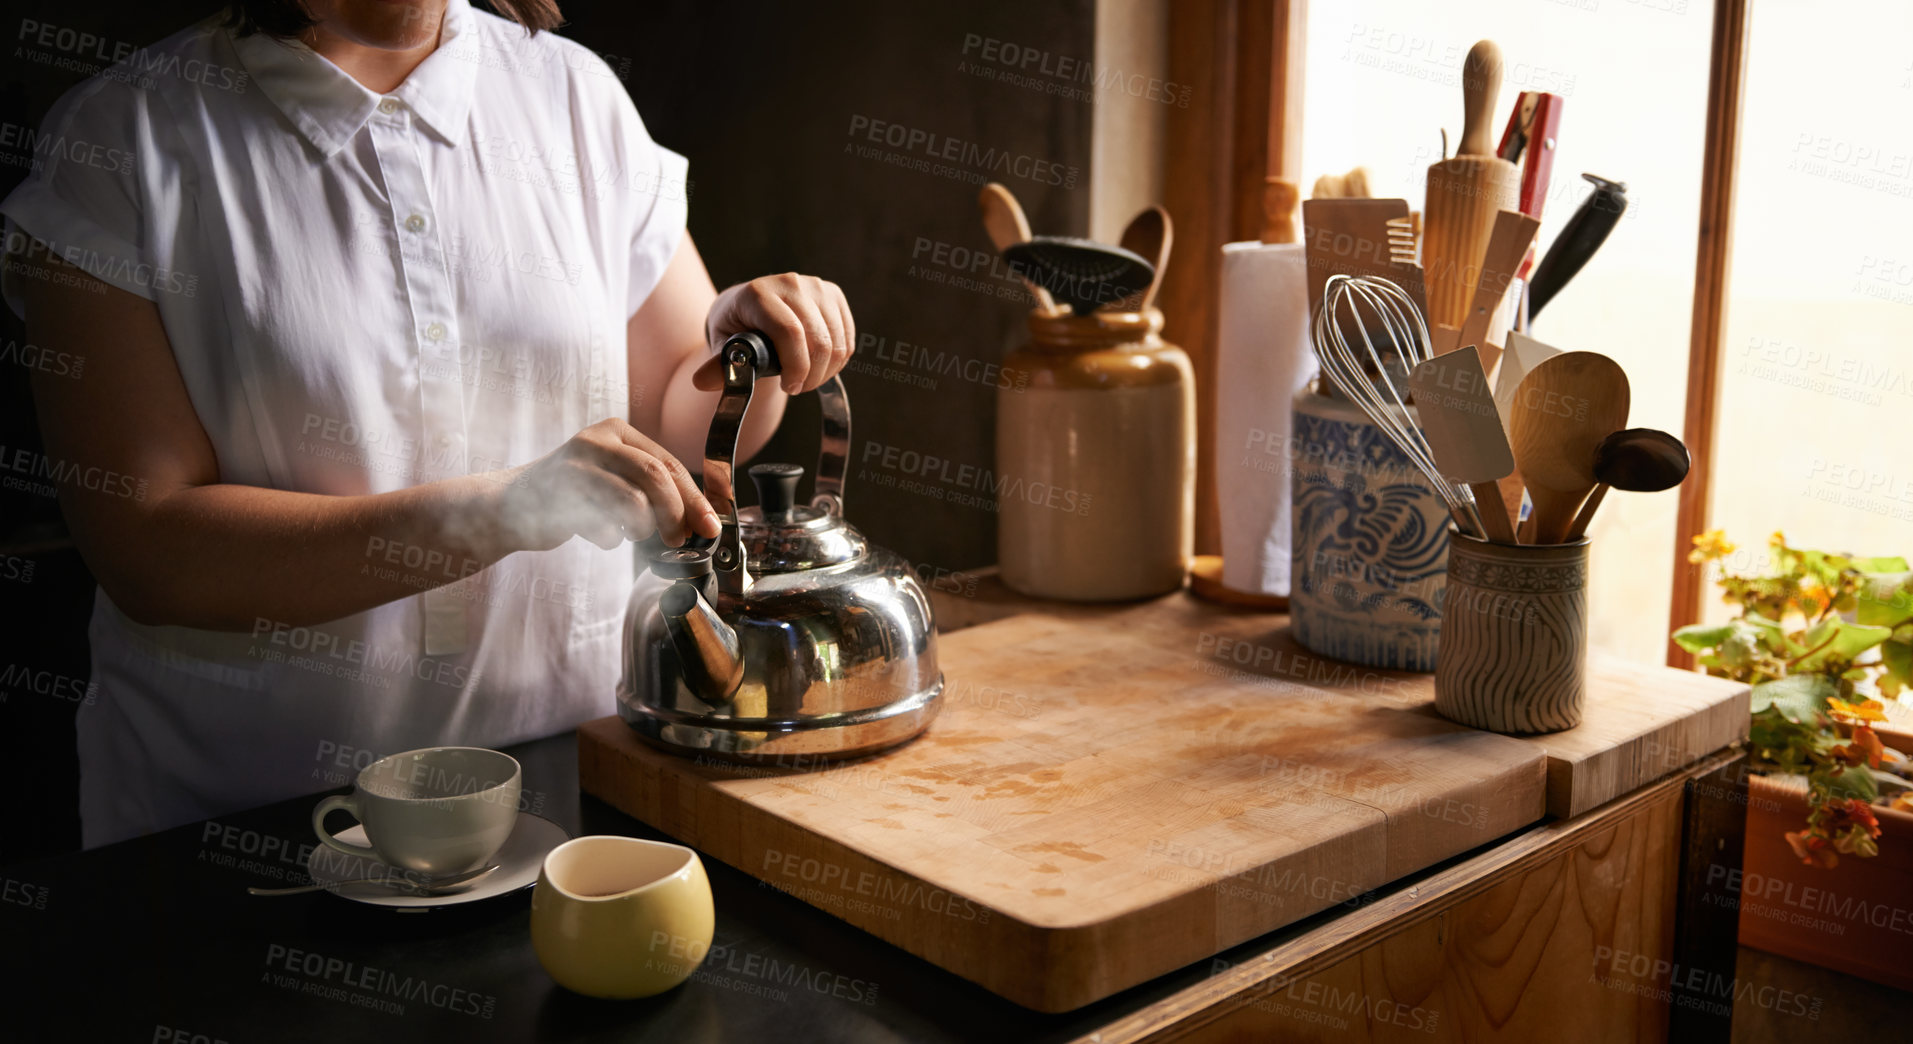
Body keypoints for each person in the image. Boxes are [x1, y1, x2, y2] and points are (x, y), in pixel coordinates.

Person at [0, 0, 855, 846]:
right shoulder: (121, 138)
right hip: (251, 822)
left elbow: (678, 430)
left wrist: (752, 349)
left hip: (580, 780)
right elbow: (147, 550)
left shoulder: (573, 96)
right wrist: (500, 511)